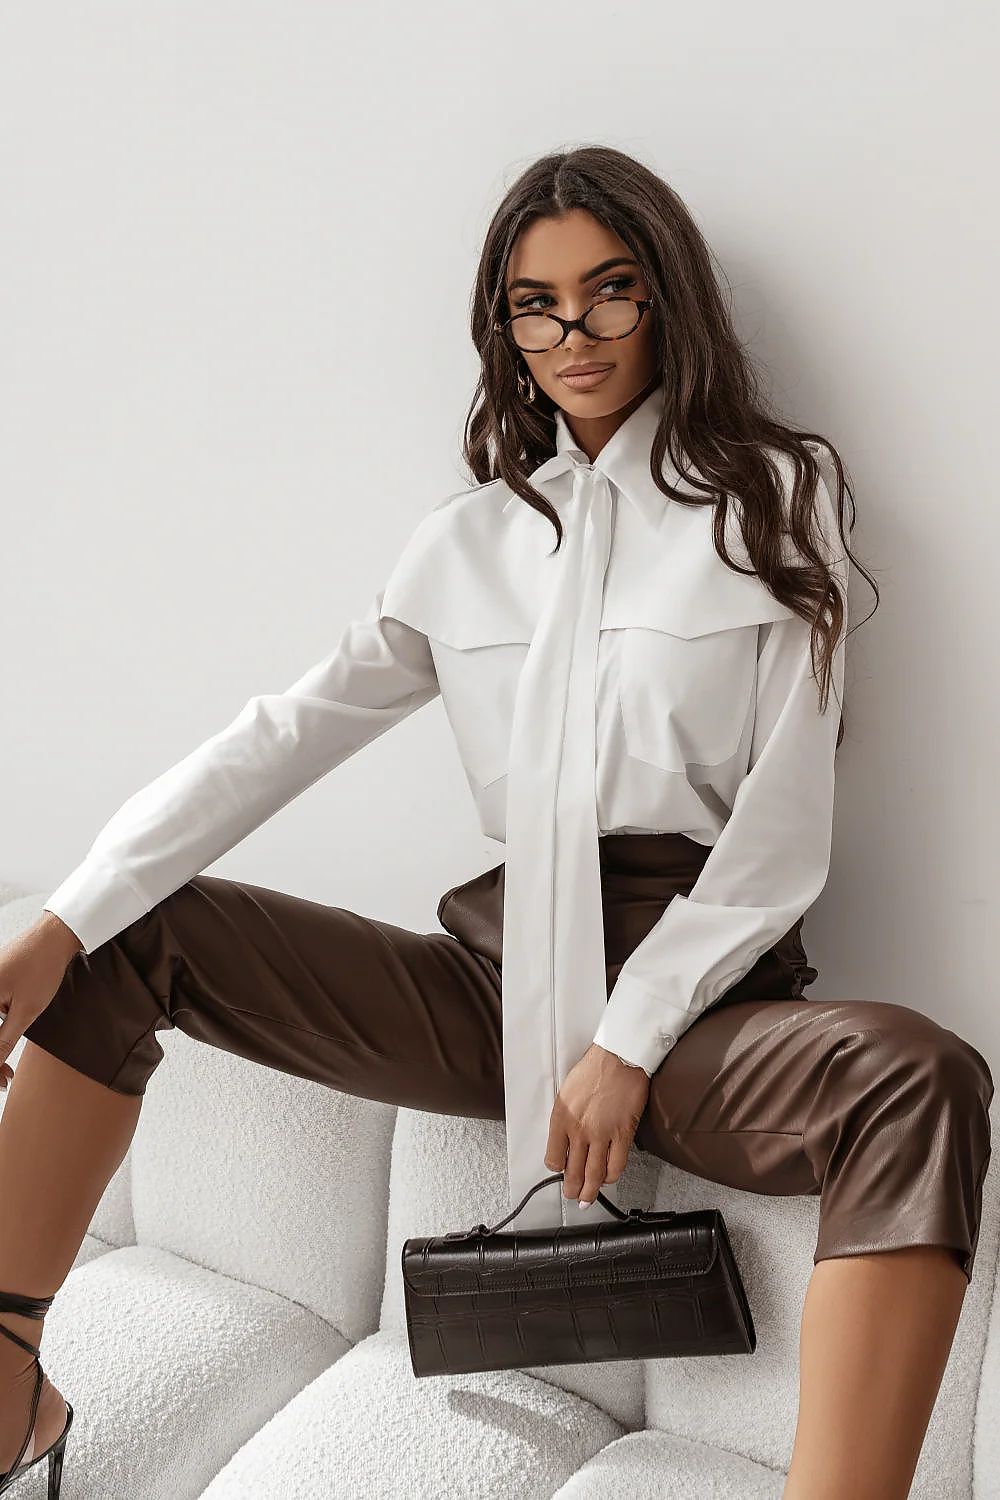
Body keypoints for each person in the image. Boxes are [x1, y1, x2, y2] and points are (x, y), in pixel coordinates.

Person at [0, 143, 992, 1500]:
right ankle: (8, 1385)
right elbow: (281, 736)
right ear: (503, 330)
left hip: (701, 1007)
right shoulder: (463, 548)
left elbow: (781, 836)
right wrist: (63, 917)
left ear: (668, 303)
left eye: (609, 293)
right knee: (129, 935)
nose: (572, 333)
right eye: (536, 304)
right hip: (498, 978)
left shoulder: (777, 498)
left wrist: (626, 1044)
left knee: (916, 1076)